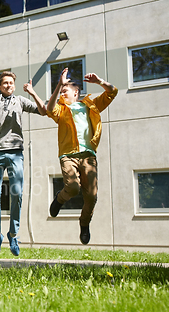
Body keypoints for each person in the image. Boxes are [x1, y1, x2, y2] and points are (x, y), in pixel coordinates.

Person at [0, 71, 46, 258]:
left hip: (16, 152)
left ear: (14, 85)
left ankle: (13, 234)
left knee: (16, 192)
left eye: (11, 83)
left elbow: (44, 111)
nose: (8, 85)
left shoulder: (21, 101)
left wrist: (32, 92)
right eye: (5, 83)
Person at [47, 68, 117, 245]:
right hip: (68, 155)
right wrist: (58, 85)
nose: (62, 93)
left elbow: (112, 91)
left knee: (91, 196)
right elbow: (49, 108)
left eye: (65, 91)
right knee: (72, 188)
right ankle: (60, 199)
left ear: (76, 92)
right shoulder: (60, 110)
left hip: (88, 156)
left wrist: (100, 81)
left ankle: (84, 223)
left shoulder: (90, 105)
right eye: (61, 91)